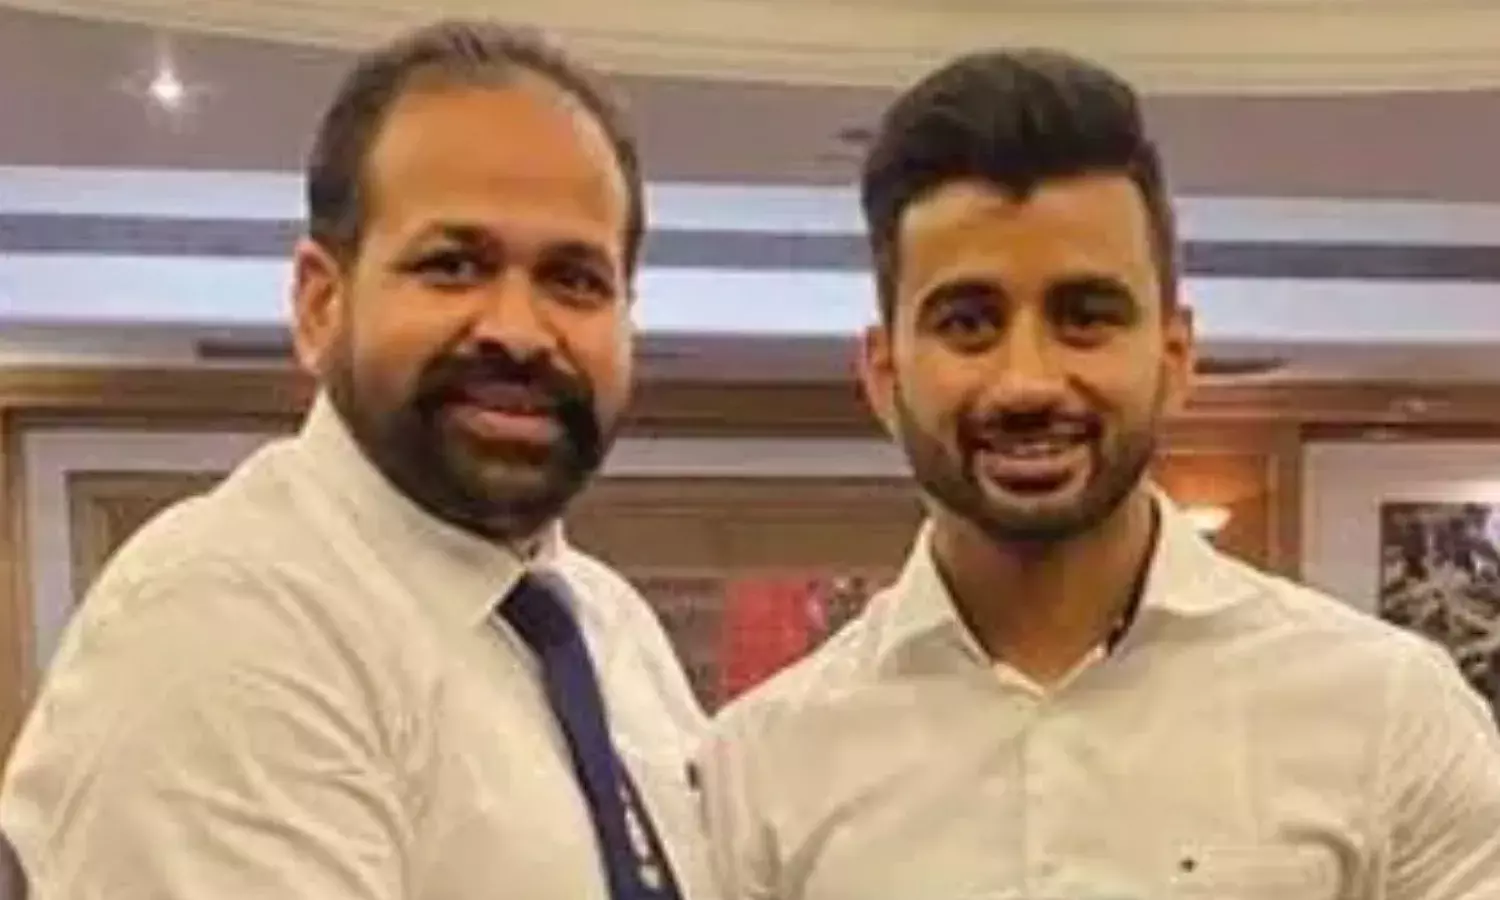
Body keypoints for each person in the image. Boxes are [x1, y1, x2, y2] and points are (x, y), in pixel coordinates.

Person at [698, 48, 1500, 900]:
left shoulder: (1385, 714)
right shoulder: (762, 770)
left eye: (1085, 318)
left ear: (1175, 356)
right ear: (884, 372)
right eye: (968, 323)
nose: (1028, 382)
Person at [0, 20, 717, 900]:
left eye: (575, 280)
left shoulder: (610, 626)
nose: (519, 331)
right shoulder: (226, 619)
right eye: (453, 265)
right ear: (320, 304)